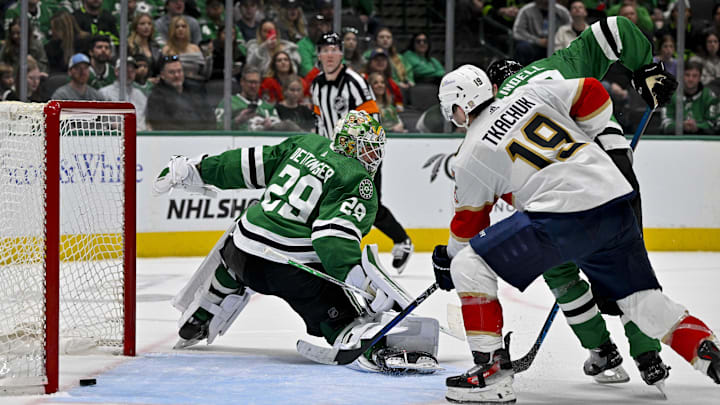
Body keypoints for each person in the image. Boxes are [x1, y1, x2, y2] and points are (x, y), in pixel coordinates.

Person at [432, 62, 720, 405]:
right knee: (642, 302)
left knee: (469, 266)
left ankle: (490, 374)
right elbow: (593, 92)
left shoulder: (470, 155)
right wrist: (587, 137)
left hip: (562, 217)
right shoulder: (530, 93)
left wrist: (447, 261)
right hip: (615, 197)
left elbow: (468, 228)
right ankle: (708, 354)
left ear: (458, 107)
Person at [154, 110, 440, 374]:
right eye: (367, 146)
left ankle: (205, 309)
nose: (372, 155)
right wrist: (362, 283)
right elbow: (332, 239)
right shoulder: (356, 179)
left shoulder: (305, 143)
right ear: (350, 144)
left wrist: (196, 168)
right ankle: (359, 339)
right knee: (344, 316)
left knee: (237, 252)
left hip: (239, 252)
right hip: (288, 271)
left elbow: (244, 164)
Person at [478, 15, 679, 387]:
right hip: (612, 168)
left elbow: (492, 182)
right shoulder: (555, 64)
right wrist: (646, 68)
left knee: (559, 269)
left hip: (558, 191)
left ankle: (601, 349)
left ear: (492, 87)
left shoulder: (495, 112)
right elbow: (615, 28)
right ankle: (648, 354)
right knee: (626, 259)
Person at [311, 32, 414, 273]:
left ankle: (402, 240)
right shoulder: (316, 84)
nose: (329, 55)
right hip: (332, 157)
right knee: (328, 201)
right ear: (318, 54)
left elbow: (373, 117)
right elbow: (319, 120)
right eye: (324, 50)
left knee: (369, 205)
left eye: (333, 49)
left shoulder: (354, 81)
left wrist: (362, 155)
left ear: (341, 53)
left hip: (362, 155)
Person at [146, 55, 215, 130]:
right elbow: (162, 126)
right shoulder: (156, 97)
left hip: (203, 138)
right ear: (162, 75)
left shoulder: (195, 90)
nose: (177, 75)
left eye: (179, 71)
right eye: (172, 72)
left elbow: (210, 117)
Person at [661, 61, 720, 135]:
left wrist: (697, 127)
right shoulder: (670, 95)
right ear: (682, 76)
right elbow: (665, 124)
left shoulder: (709, 96)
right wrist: (681, 126)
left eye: (694, 76)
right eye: (687, 75)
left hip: (703, 141)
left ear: (700, 77)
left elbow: (714, 124)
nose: (690, 79)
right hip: (676, 141)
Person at [215, 65, 280, 131]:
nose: (253, 86)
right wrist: (238, 121)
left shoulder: (268, 108)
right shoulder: (228, 102)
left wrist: (270, 128)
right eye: (250, 82)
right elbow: (218, 128)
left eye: (256, 82)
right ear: (242, 82)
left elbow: (279, 132)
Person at [512, 0, 571, 65]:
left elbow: (570, 29)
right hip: (534, 46)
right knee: (522, 48)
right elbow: (517, 32)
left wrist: (557, 40)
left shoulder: (562, 11)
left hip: (557, 45)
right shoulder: (526, 10)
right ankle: (521, 73)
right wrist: (538, 41)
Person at [99, 57, 148, 131]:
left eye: (132, 70)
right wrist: (112, 126)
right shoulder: (104, 93)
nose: (129, 73)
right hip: (114, 138)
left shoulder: (140, 95)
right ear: (116, 71)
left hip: (140, 137)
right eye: (126, 70)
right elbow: (98, 123)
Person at [162, 15, 212, 84]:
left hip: (197, 84)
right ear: (172, 30)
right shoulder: (167, 49)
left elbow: (205, 73)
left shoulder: (195, 48)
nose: (180, 29)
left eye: (183, 26)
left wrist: (208, 57)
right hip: (175, 85)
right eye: (177, 27)